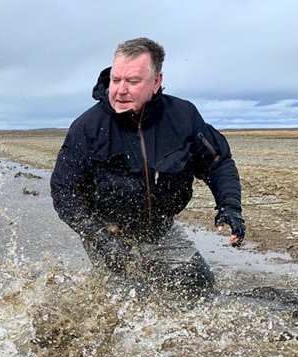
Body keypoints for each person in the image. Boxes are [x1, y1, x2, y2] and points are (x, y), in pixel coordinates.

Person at [50, 37, 245, 294]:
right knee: (128, 303)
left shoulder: (183, 116)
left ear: (156, 82)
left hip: (161, 229)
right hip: (108, 233)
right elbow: (63, 190)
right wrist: (100, 238)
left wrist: (229, 206)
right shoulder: (87, 126)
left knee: (202, 288)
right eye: (116, 80)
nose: (120, 90)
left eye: (132, 81)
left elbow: (218, 164)